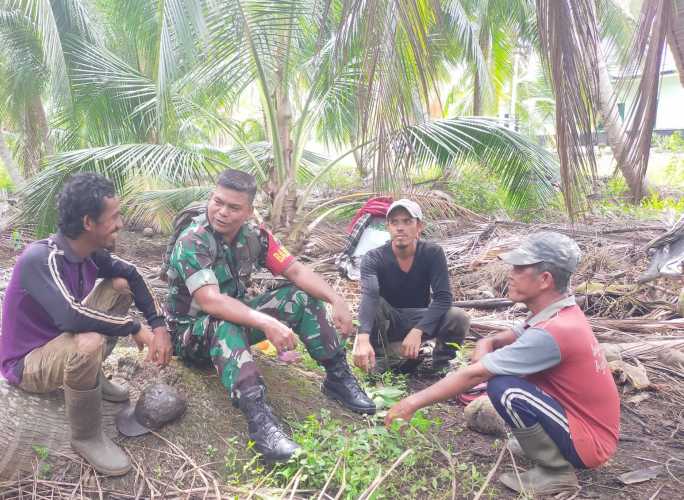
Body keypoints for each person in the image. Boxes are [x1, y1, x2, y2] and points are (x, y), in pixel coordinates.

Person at [384, 232, 620, 495]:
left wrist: (411, 402)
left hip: (590, 442)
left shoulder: (552, 331)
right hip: (580, 423)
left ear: (545, 279)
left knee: (504, 388)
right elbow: (498, 339)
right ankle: (548, 444)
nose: (511, 273)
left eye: (520, 268)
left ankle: (557, 472)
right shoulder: (555, 313)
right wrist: (484, 346)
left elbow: (476, 375)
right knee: (504, 379)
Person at [165, 169, 375, 462]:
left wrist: (336, 299)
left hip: (234, 322)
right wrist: (265, 320)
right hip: (190, 335)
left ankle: (337, 376)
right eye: (217, 202)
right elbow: (210, 301)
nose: (222, 212)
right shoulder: (193, 241)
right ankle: (260, 422)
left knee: (299, 297)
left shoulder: (255, 237)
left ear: (249, 211)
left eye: (233, 207)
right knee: (224, 321)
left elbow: (296, 270)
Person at [0, 173, 173, 476]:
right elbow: (70, 316)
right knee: (89, 342)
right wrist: (133, 326)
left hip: (60, 341)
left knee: (119, 284)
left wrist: (158, 326)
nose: (120, 223)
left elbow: (132, 275)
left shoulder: (91, 254)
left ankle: (92, 376)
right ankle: (87, 436)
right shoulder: (41, 258)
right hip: (26, 362)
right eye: (114, 217)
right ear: (88, 223)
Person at [352, 199, 470, 374]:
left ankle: (441, 365)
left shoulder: (432, 253)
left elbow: (443, 298)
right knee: (375, 301)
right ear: (388, 227)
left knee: (458, 317)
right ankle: (381, 360)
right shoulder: (373, 257)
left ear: (419, 226)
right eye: (394, 222)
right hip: (387, 323)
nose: (400, 228)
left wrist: (418, 331)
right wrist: (362, 338)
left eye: (407, 221)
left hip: (419, 318)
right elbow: (369, 296)